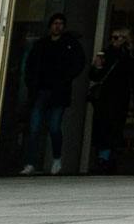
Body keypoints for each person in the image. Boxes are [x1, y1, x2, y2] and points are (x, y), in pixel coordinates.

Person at [19, 14, 85, 175]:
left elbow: (79, 63)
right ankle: (30, 162)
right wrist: (32, 84)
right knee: (34, 128)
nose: (58, 26)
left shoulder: (70, 44)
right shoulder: (41, 45)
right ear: (50, 26)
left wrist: (66, 78)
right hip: (41, 91)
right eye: (55, 23)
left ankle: (56, 158)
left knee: (54, 127)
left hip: (58, 92)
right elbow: (29, 66)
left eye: (61, 24)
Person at [86, 27, 134, 174]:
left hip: (120, 98)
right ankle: (102, 158)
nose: (114, 40)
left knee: (113, 128)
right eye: (112, 37)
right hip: (104, 97)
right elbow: (94, 76)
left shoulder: (131, 56)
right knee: (102, 127)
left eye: (117, 37)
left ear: (125, 39)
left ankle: (107, 158)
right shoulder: (105, 53)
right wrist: (96, 66)